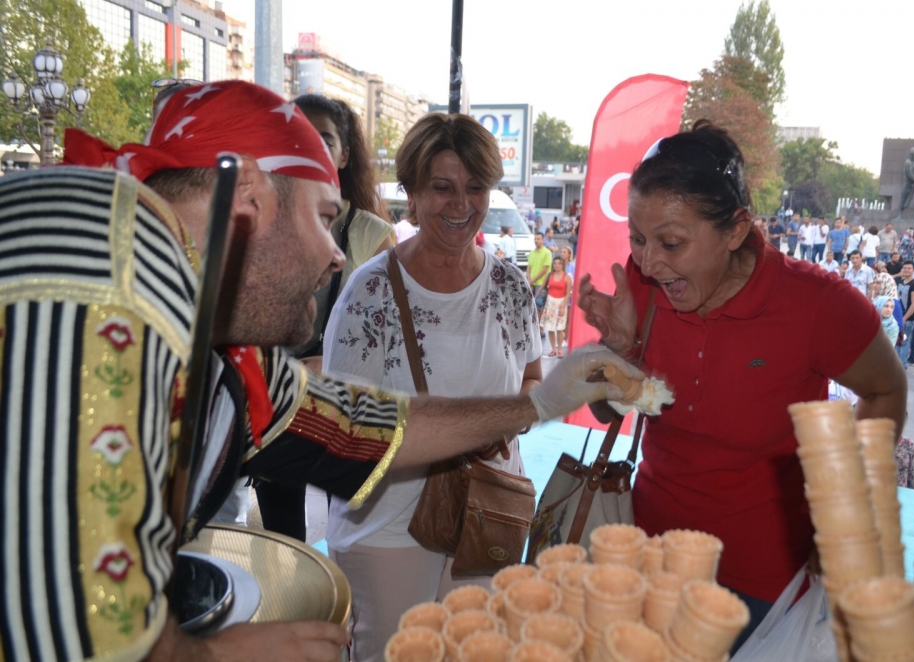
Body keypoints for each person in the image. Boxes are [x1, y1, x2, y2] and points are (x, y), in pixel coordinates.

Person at [9, 80, 635, 662]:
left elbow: (365, 428)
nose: (337, 255)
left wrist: (539, 402)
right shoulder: (99, 287)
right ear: (249, 197)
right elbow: (73, 623)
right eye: (326, 217)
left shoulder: (217, 343)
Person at [577, 120, 905, 653]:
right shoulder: (643, 286)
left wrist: (846, 509)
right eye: (637, 238)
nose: (648, 261)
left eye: (671, 242)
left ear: (735, 231)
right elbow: (608, 418)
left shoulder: (816, 304)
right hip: (653, 556)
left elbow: (887, 389)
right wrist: (618, 353)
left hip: (766, 581)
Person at [320, 113, 545, 661]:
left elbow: (533, 379)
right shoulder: (368, 293)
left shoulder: (511, 287)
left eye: (475, 188)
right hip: (388, 528)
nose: (461, 204)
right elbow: (344, 430)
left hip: (488, 511)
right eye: (442, 188)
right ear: (413, 196)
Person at [256, 94, 397, 542]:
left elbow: (391, 335)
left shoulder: (373, 236)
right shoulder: (257, 220)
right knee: (283, 540)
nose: (310, 146)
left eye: (324, 138)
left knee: (352, 535)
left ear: (344, 154)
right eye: (299, 135)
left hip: (346, 406)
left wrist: (331, 365)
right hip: (276, 400)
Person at [540, 256, 573, 358]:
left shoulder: (567, 277)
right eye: (555, 263)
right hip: (550, 302)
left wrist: (563, 306)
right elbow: (543, 287)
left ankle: (559, 350)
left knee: (560, 328)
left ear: (563, 265)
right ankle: (553, 349)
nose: (557, 265)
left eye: (559, 263)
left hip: (560, 303)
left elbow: (568, 293)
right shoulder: (550, 275)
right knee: (550, 328)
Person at [895, 261, 914, 366]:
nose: (906, 270)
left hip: (908, 318)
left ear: (913, 270)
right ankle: (896, 364)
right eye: (905, 268)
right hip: (898, 316)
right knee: (897, 341)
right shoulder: (901, 282)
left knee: (904, 342)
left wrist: (904, 318)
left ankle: (902, 365)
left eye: (909, 268)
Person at [528, 232, 553, 320]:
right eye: (535, 239)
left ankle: (538, 329)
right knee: (530, 306)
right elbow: (528, 268)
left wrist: (532, 280)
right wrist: (529, 281)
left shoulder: (547, 252)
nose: (536, 241)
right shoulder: (532, 252)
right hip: (532, 284)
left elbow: (544, 270)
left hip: (541, 284)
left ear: (543, 240)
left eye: (538, 239)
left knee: (538, 307)